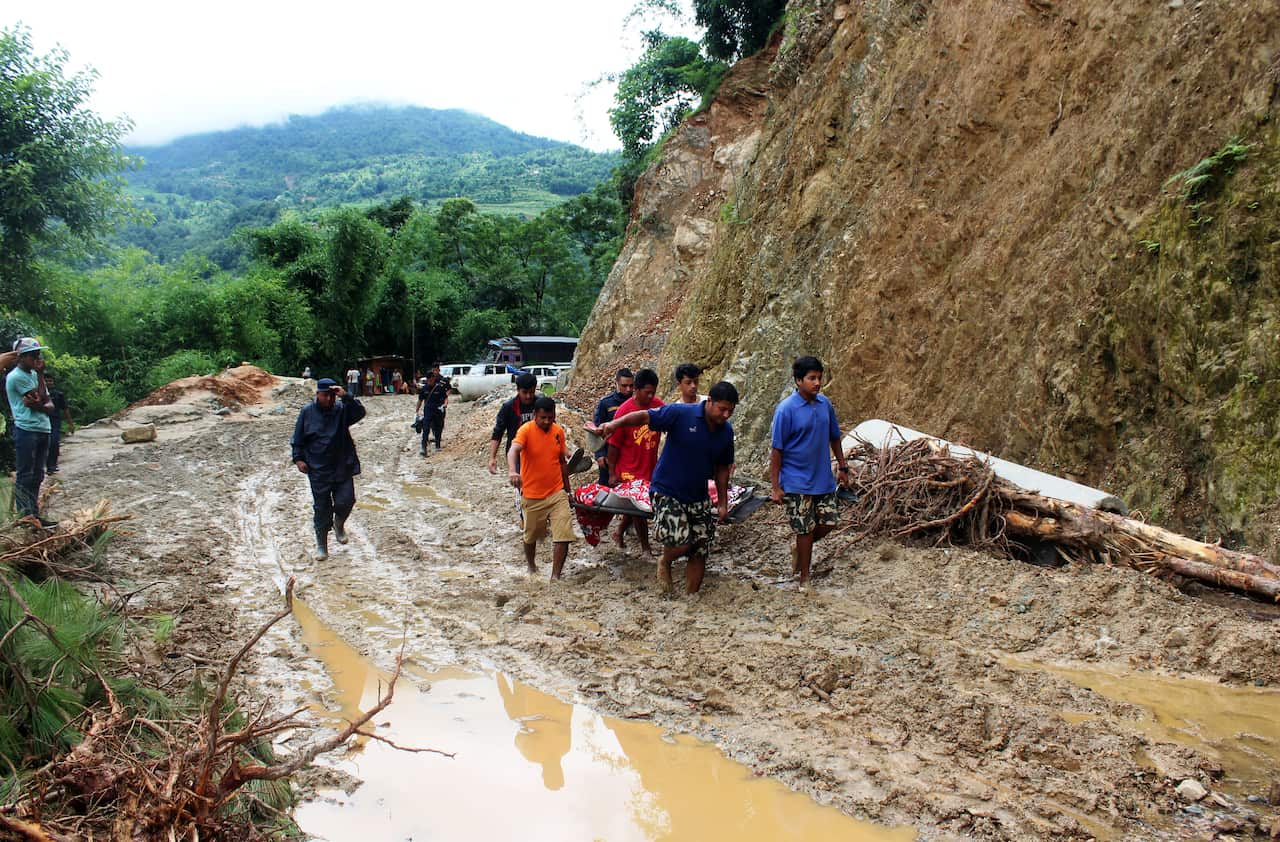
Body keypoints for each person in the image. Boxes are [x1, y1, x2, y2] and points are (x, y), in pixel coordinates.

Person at [599, 380, 738, 595]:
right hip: (667, 491)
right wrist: (614, 425)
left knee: (700, 549)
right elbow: (644, 416)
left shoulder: (726, 432)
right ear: (709, 401)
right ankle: (665, 560)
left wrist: (722, 503)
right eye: (722, 409)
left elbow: (722, 468)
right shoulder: (681, 413)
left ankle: (691, 599)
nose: (726, 415)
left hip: (698, 495)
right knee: (681, 543)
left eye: (731, 410)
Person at [769, 356, 849, 586]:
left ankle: (800, 549)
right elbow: (776, 451)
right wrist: (776, 487)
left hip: (822, 478)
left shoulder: (825, 405)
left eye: (819, 378)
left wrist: (842, 466)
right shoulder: (786, 410)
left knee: (830, 521)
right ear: (798, 380)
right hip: (796, 479)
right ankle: (805, 578)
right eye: (811, 378)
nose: (817, 383)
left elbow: (835, 437)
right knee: (804, 529)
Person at [291, 378, 366, 559]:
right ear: (318, 394)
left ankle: (338, 523)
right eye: (326, 396)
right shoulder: (307, 412)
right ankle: (321, 545)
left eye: (332, 396)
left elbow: (360, 413)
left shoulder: (341, 409)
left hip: (342, 465)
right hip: (318, 468)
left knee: (347, 500)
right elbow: (298, 438)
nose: (330, 400)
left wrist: (346, 396)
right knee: (322, 508)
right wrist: (298, 459)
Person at [507, 396, 575, 579]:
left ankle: (555, 576)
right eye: (543, 418)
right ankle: (531, 566)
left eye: (550, 418)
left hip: (556, 492)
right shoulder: (525, 431)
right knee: (531, 537)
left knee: (564, 534)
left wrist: (568, 491)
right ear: (535, 415)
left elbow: (562, 462)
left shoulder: (558, 431)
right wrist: (513, 471)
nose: (546, 421)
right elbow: (513, 450)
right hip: (532, 495)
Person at [605, 368, 663, 554]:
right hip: (628, 469)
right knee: (640, 510)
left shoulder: (658, 406)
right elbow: (613, 446)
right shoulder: (624, 411)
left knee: (635, 507)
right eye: (647, 392)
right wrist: (612, 473)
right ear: (636, 390)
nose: (651, 396)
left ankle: (619, 532)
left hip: (649, 466)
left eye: (653, 392)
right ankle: (646, 549)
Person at [5, 338, 56, 526]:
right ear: (21, 357)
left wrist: (40, 379)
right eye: (33, 355)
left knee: (37, 475)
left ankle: (33, 514)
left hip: (43, 428)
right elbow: (42, 399)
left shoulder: (35, 375)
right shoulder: (16, 377)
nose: (37, 358)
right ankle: (25, 517)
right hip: (27, 429)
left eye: (38, 354)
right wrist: (42, 402)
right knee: (26, 474)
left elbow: (48, 405)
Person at [487, 373, 540, 474]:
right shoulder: (508, 407)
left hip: (538, 453)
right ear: (518, 390)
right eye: (524, 392)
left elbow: (552, 429)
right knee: (524, 487)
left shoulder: (540, 405)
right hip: (517, 455)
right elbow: (498, 433)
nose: (528, 396)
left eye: (531, 392)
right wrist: (492, 458)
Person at [591, 368, 634, 484]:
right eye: (624, 386)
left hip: (630, 454)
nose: (628, 389)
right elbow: (596, 431)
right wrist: (599, 455)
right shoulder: (606, 403)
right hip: (608, 455)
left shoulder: (636, 402)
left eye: (631, 386)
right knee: (606, 489)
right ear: (617, 383)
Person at [44, 374, 74, 475]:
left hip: (55, 421)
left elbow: (65, 409)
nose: (48, 383)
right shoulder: (39, 394)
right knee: (45, 443)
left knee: (54, 442)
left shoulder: (58, 394)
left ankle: (52, 465)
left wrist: (70, 424)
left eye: (50, 381)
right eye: (46, 381)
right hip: (43, 421)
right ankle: (46, 465)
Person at [415, 369, 449, 455]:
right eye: (428, 380)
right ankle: (423, 448)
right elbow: (420, 400)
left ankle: (437, 445)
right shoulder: (424, 389)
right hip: (428, 410)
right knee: (426, 429)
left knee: (438, 428)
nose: (430, 381)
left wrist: (445, 405)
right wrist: (416, 411)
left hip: (438, 410)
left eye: (431, 379)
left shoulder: (439, 388)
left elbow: (445, 398)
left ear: (434, 379)